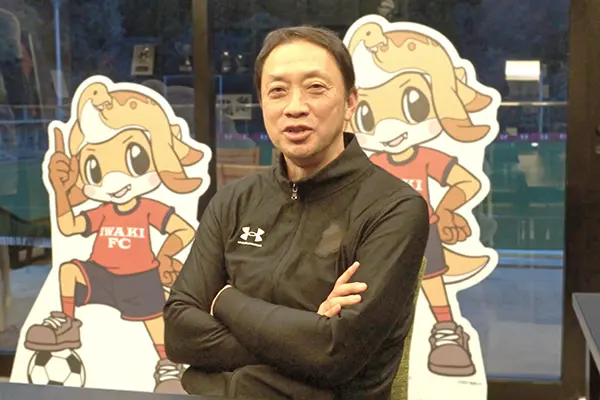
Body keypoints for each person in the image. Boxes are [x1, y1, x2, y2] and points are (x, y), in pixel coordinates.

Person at [163, 25, 429, 399]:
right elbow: (179, 330)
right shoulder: (234, 200)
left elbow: (334, 353)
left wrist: (224, 301)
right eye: (277, 91)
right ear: (263, 104)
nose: (295, 107)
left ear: (350, 102)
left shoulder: (393, 208)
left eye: (316, 88)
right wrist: (302, 339)